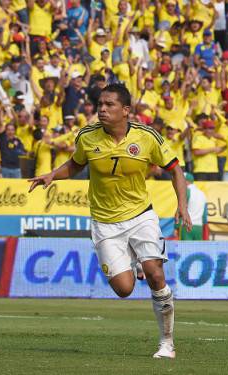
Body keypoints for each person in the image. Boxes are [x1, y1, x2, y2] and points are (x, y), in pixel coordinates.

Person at [28, 83, 192, 359]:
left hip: (140, 215)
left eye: (109, 105)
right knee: (124, 289)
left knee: (154, 273)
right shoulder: (88, 136)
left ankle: (167, 343)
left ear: (125, 110)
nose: (101, 109)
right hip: (105, 223)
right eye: (100, 104)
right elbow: (76, 164)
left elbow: (176, 170)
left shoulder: (147, 137)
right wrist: (51, 175)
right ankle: (132, 259)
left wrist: (182, 206)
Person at [175, 173, 208, 241]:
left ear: (186, 181)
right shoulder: (202, 193)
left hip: (186, 226)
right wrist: (204, 227)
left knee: (184, 250)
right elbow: (204, 215)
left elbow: (180, 209)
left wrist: (176, 226)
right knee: (197, 250)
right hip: (199, 227)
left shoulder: (185, 192)